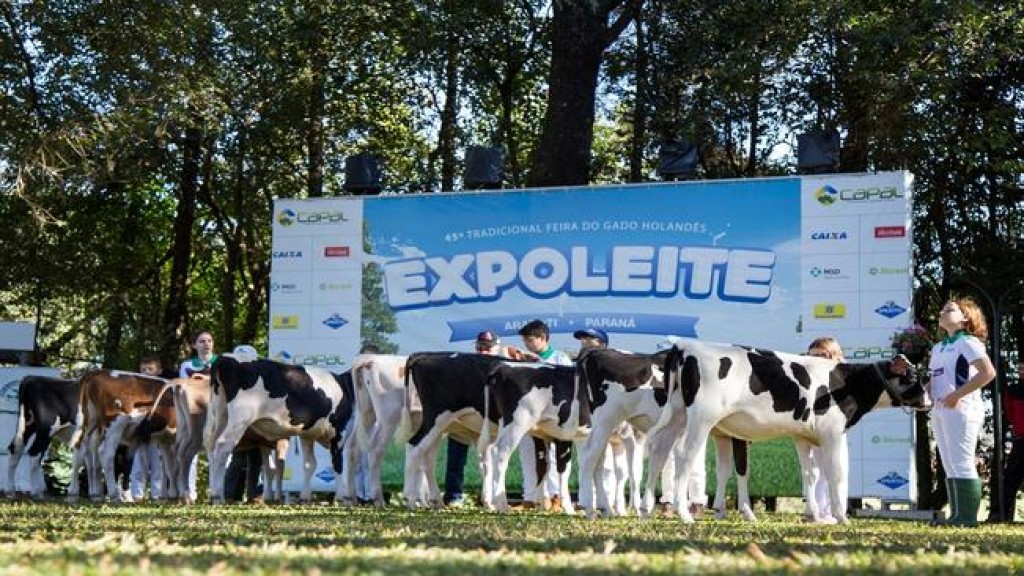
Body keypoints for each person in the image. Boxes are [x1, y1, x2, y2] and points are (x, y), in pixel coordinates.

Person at [928, 298, 997, 527]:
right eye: (942, 310)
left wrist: (957, 395)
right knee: (949, 463)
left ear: (965, 317)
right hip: (939, 409)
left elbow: (988, 373)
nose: (942, 312)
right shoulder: (938, 347)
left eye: (949, 309)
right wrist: (921, 393)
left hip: (962, 408)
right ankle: (956, 515)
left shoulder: (968, 342)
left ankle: (967, 518)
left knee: (962, 461)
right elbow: (935, 380)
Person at [514, 319, 572, 508]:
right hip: (529, 417)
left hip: (554, 417)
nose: (527, 345)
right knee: (528, 455)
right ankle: (531, 497)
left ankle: (556, 497)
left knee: (555, 457)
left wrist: (538, 364)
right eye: (525, 341)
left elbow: (569, 386)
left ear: (543, 338)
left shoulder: (560, 358)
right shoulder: (523, 361)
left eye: (530, 340)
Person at [442, 330, 501, 507]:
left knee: (490, 462)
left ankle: (490, 496)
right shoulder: (465, 366)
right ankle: (454, 495)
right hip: (463, 421)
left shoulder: (504, 369)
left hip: (489, 423)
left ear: (497, 348)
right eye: (480, 347)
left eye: (488, 348)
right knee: (456, 460)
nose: (484, 351)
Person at [805, 336, 845, 522]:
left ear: (832, 354)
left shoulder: (842, 372)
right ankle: (815, 510)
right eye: (810, 356)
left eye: (819, 356)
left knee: (833, 468)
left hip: (832, 427)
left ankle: (830, 512)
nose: (814, 360)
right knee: (814, 469)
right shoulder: (808, 373)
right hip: (811, 425)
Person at [130, 355, 168, 502]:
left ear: (159, 371)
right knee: (139, 464)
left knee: (159, 465)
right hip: (140, 431)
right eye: (143, 369)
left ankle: (157, 495)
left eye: (150, 369)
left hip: (158, 433)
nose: (146, 372)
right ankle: (137, 495)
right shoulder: (135, 389)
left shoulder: (164, 388)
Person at [992, 360, 1024, 523]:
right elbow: (1010, 413)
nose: (1021, 371)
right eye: (1020, 368)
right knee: (1011, 477)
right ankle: (1003, 514)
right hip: (1020, 440)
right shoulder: (1012, 391)